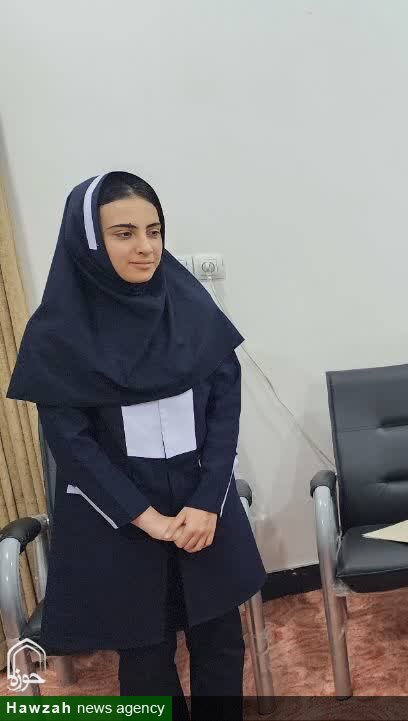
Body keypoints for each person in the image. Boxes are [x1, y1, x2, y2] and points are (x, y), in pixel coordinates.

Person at [7, 172, 265, 720]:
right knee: (146, 659)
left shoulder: (190, 305)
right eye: (123, 233)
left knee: (221, 640)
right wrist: (147, 519)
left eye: (154, 230)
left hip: (201, 506)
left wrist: (207, 500)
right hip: (120, 515)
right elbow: (72, 444)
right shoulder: (57, 334)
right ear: (89, 241)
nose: (145, 247)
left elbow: (225, 404)